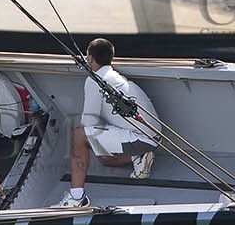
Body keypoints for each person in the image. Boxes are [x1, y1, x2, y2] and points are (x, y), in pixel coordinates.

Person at [58, 39, 162, 208]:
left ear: (90, 59)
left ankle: (76, 198)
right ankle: (137, 157)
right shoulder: (115, 76)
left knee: (78, 136)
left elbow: (89, 121)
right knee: (104, 159)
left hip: (141, 138)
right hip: (154, 136)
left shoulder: (94, 80)